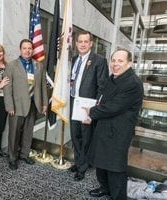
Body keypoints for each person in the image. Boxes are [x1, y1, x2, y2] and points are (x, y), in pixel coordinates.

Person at [83, 48, 143, 199]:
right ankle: (105, 188)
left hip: (118, 132)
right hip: (104, 127)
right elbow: (103, 100)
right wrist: (93, 114)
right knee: (101, 163)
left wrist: (91, 112)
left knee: (115, 167)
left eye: (120, 61)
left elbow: (113, 106)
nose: (115, 64)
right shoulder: (113, 77)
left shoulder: (133, 83)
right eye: (113, 60)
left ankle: (118, 196)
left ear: (129, 63)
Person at [69, 31, 109, 181]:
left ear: (91, 43)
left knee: (86, 137)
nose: (83, 44)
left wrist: (94, 110)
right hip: (74, 102)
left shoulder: (99, 60)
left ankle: (82, 167)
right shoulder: (74, 60)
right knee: (75, 135)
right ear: (76, 43)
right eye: (80, 41)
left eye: (86, 41)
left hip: (88, 105)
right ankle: (79, 161)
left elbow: (102, 87)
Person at [3, 39, 48, 170]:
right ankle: (12, 157)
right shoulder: (12, 65)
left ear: (32, 50)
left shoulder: (38, 66)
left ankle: (24, 154)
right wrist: (9, 106)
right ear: (20, 49)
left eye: (29, 48)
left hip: (33, 104)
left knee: (28, 132)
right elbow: (7, 88)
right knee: (14, 133)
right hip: (16, 106)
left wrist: (44, 103)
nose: (27, 50)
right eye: (24, 48)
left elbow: (43, 86)